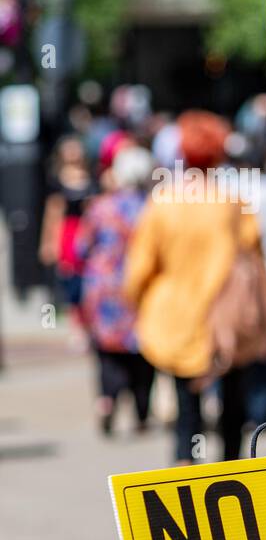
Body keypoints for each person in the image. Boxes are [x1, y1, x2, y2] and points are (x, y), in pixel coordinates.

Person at [125, 111, 265, 464]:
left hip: (175, 315)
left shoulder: (164, 201)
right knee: (233, 403)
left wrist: (135, 300)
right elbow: (253, 253)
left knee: (186, 408)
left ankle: (186, 472)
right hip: (226, 318)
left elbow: (141, 266)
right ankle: (231, 470)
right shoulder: (231, 202)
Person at [76, 146, 157, 435]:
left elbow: (81, 247)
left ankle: (107, 399)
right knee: (142, 352)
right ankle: (141, 410)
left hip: (103, 288)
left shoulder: (100, 207)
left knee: (107, 351)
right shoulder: (152, 208)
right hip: (140, 287)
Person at [39, 135, 99, 330]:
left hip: (87, 230)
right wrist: (48, 241)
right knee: (69, 280)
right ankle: (75, 324)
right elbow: (53, 212)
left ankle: (88, 322)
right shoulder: (57, 180)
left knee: (88, 278)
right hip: (67, 232)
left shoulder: (91, 178)